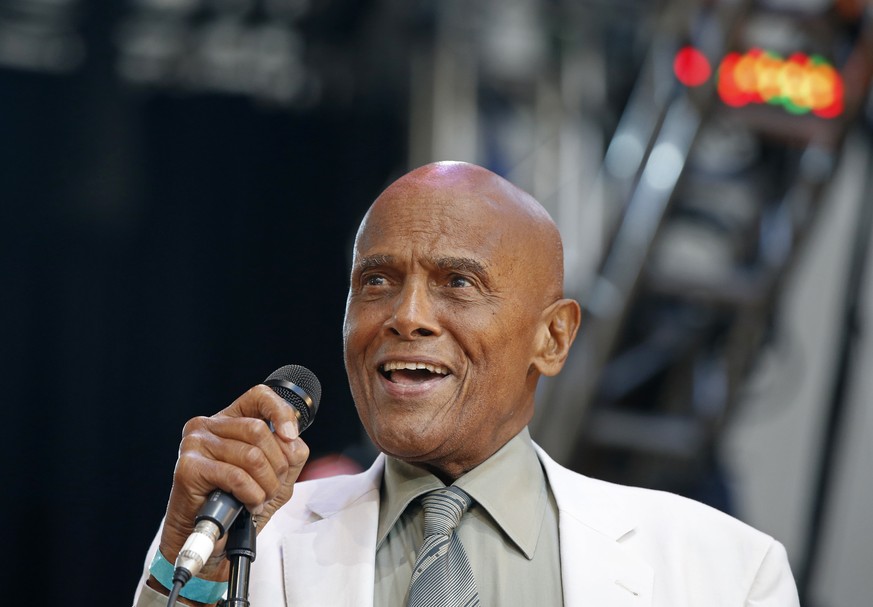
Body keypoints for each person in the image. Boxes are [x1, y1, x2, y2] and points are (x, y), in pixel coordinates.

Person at [133, 161, 800, 606]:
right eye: (376, 281)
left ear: (553, 336)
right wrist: (185, 563)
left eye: (457, 283)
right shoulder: (251, 547)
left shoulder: (722, 572)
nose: (406, 316)